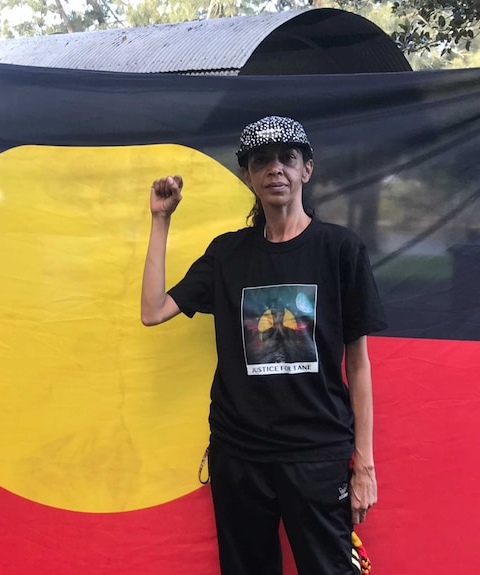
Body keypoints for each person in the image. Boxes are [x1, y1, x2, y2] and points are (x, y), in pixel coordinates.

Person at [140, 116, 386, 575]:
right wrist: (160, 219)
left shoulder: (340, 250)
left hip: (317, 454)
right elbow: (153, 310)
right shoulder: (227, 254)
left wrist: (365, 467)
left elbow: (359, 367)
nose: (276, 169)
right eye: (262, 160)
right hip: (240, 456)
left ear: (306, 170)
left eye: (287, 158)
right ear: (246, 175)